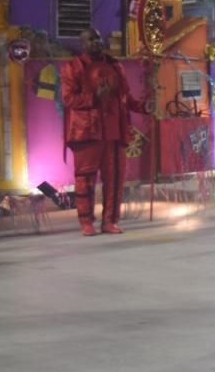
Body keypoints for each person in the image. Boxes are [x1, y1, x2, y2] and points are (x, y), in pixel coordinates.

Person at [61, 28, 149, 236]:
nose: (96, 42)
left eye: (98, 38)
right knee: (85, 179)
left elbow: (126, 97)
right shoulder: (72, 68)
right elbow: (68, 99)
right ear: (82, 44)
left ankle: (110, 220)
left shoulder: (115, 66)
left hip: (114, 133)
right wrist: (94, 97)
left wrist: (145, 107)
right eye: (90, 39)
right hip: (87, 134)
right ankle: (86, 222)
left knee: (115, 180)